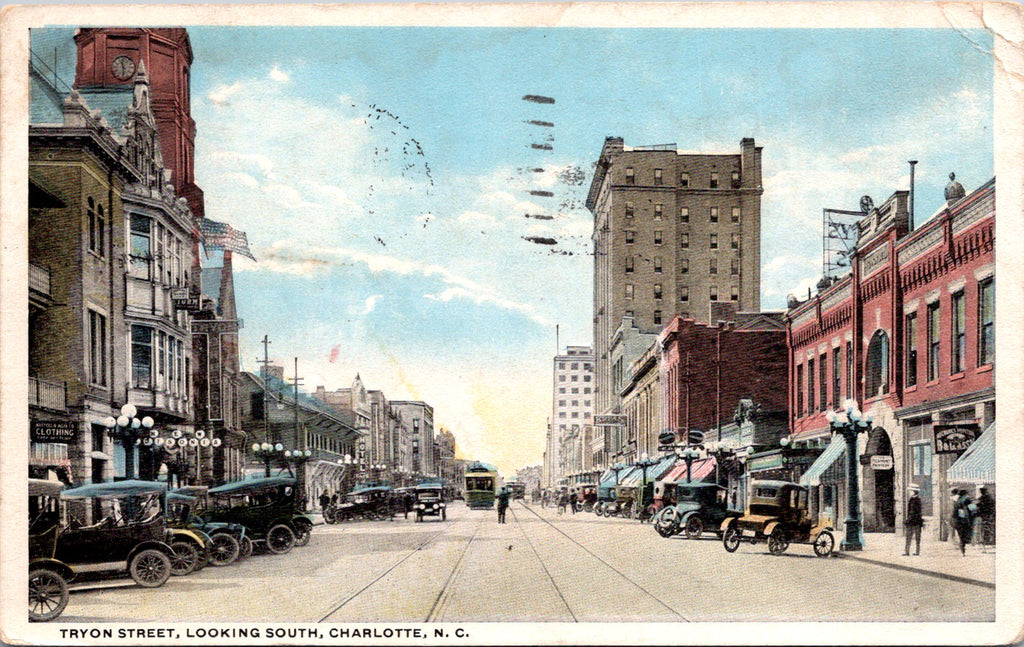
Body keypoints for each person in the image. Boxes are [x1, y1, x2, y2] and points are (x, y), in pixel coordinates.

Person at [951, 488, 977, 555]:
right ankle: (963, 546)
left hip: (957, 520)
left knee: (961, 535)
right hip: (964, 520)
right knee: (964, 535)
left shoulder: (957, 501)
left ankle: (962, 547)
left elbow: (954, 512)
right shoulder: (966, 500)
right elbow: (973, 509)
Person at [903, 484, 923, 556]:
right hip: (917, 521)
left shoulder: (914, 500)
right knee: (917, 538)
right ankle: (917, 551)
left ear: (913, 491)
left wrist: (908, 520)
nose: (909, 492)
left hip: (912, 522)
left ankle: (907, 551)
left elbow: (912, 512)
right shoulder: (917, 499)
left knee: (909, 537)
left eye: (910, 491)